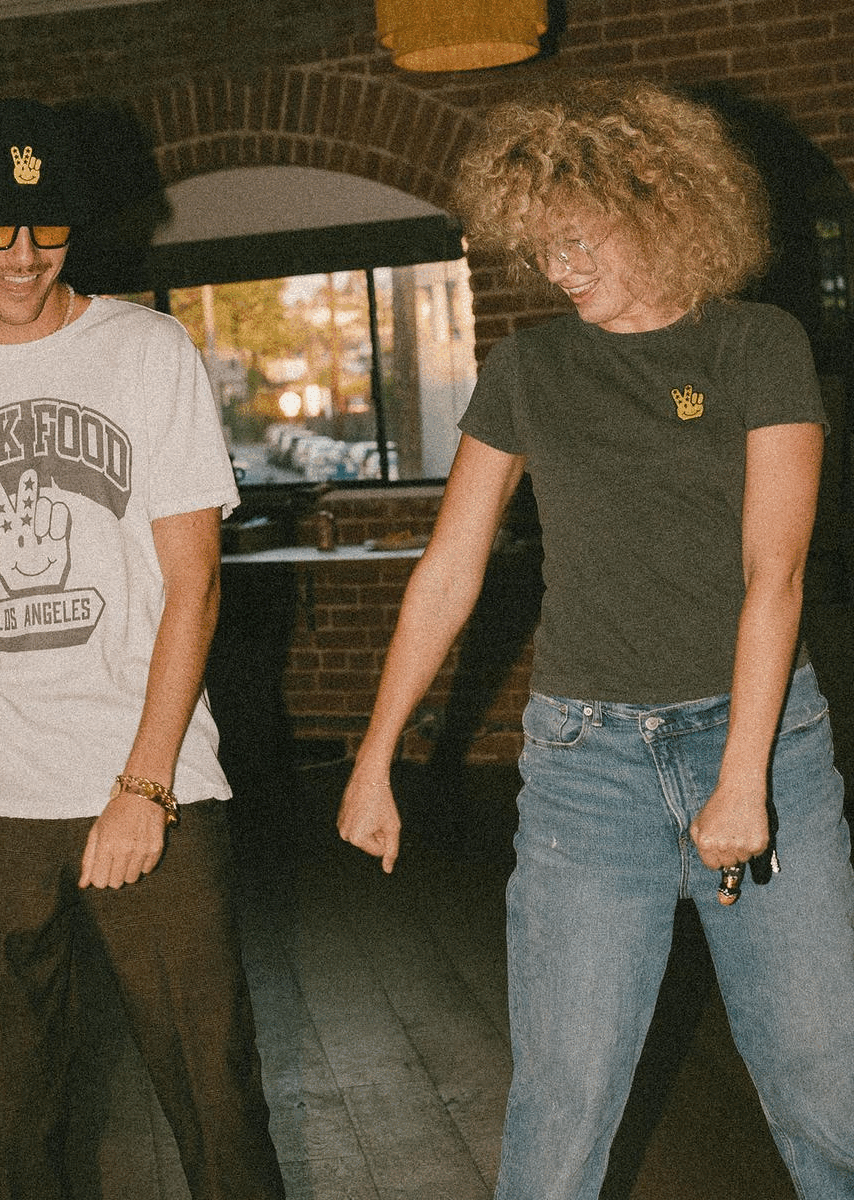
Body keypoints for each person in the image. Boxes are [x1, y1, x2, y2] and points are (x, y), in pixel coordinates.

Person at [337, 76, 854, 1199]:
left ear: (664, 209)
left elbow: (774, 576)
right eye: (542, 246)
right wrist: (375, 756)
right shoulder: (528, 370)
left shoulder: (755, 347)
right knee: (562, 1108)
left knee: (826, 1093)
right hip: (588, 767)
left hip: (762, 745)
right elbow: (449, 570)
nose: (559, 269)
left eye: (580, 240)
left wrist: (744, 781)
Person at [0, 98, 285, 1200]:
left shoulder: (147, 352)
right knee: (9, 1113)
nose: (23, 257)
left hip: (150, 773)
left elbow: (194, 584)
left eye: (48, 228)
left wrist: (144, 786)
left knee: (215, 1094)